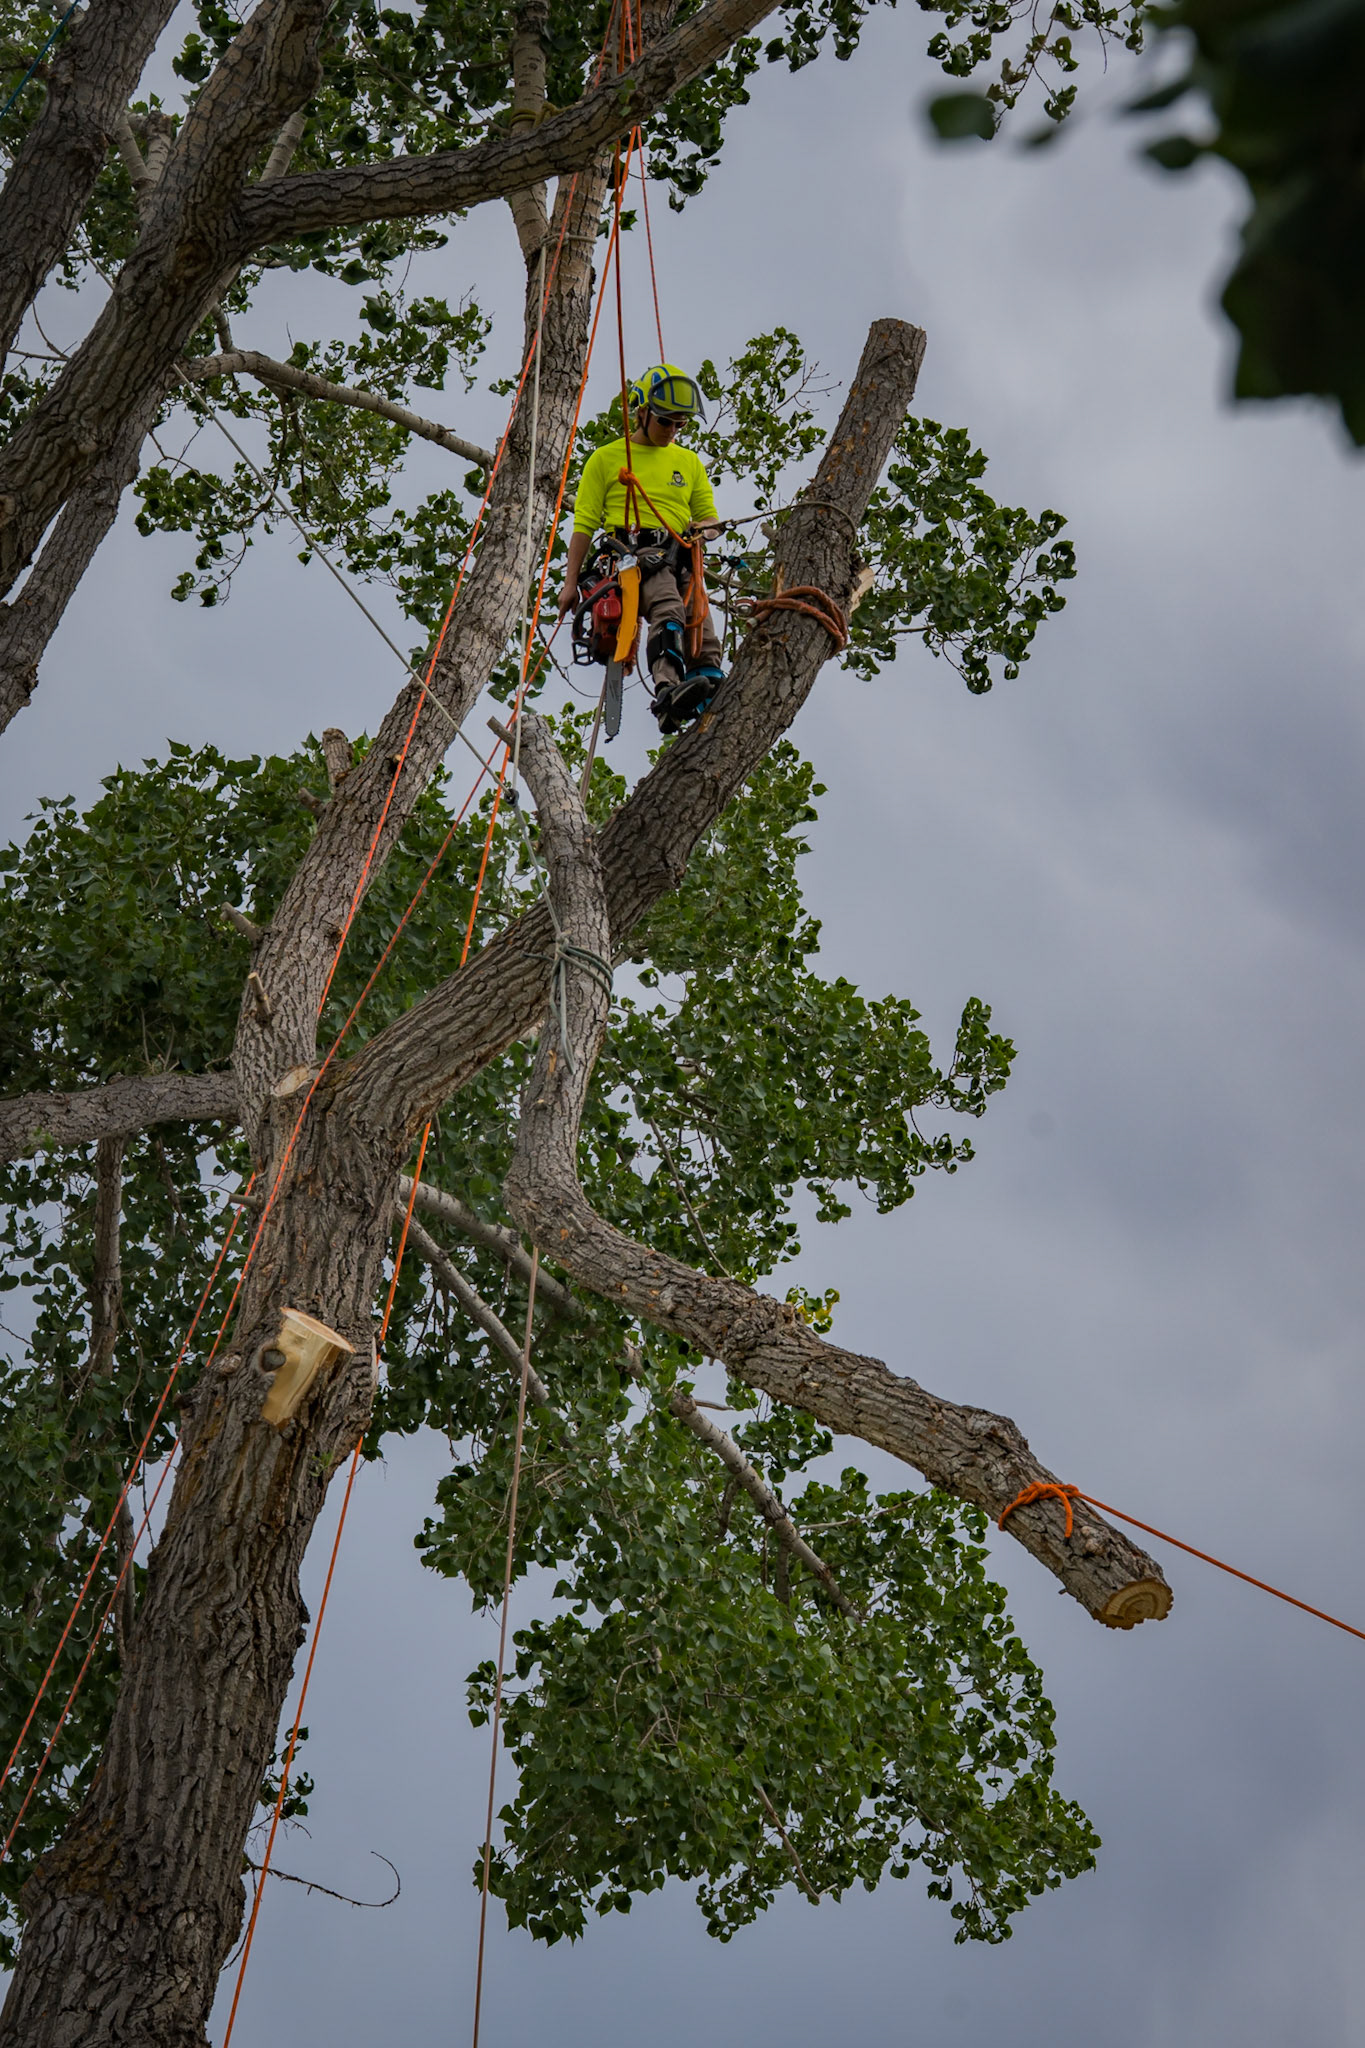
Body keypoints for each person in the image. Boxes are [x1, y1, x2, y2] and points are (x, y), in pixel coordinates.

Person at [557, 363, 726, 731]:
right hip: (634, 555)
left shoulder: (689, 462)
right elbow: (584, 524)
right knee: (668, 607)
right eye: (665, 421)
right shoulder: (607, 458)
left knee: (701, 621)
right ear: (642, 412)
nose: (672, 431)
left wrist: (706, 530)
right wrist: (570, 584)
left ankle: (709, 684)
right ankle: (668, 689)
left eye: (680, 424)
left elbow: (709, 518)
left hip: (682, 555)